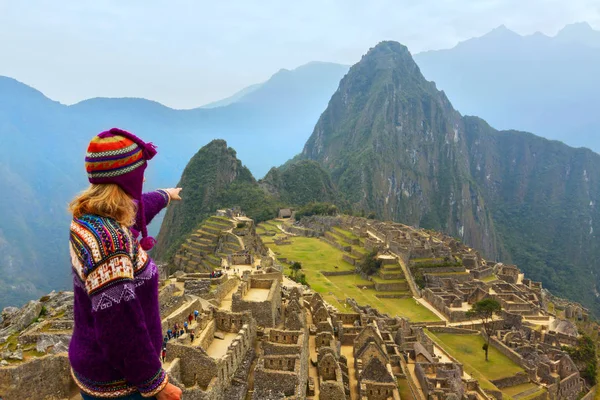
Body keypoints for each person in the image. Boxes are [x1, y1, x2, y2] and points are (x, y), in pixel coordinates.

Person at [68, 128, 183, 400]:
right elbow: (120, 329)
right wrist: (156, 384)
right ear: (125, 178)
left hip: (95, 367)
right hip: (120, 383)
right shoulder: (112, 245)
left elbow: (136, 207)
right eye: (139, 172)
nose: (143, 177)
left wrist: (165, 196)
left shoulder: (89, 218)